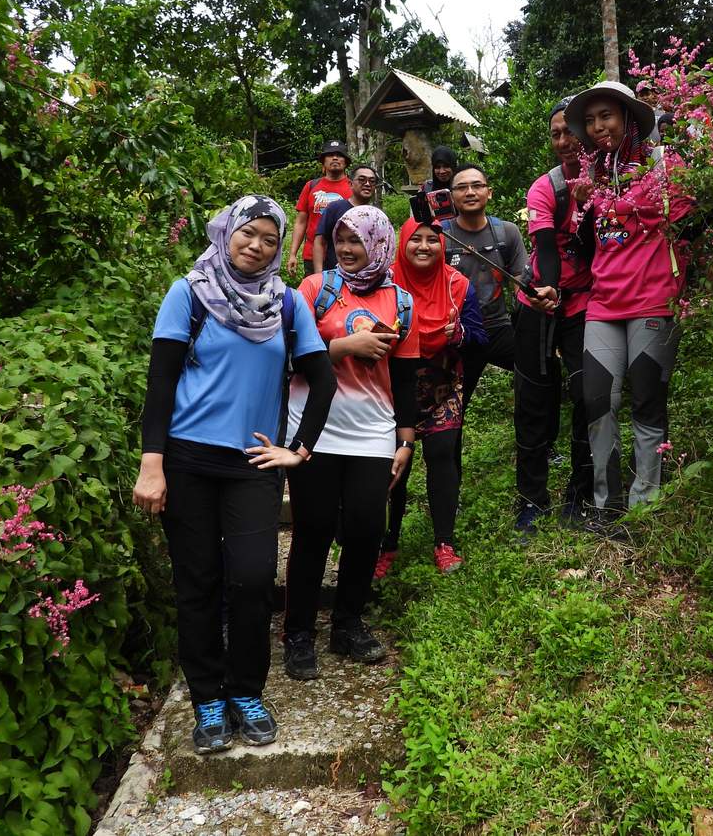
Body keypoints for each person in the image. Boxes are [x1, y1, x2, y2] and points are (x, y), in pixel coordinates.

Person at [133, 195, 337, 755]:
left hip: (253, 464)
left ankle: (246, 691)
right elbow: (161, 383)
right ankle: (206, 699)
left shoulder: (288, 305)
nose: (257, 245)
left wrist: (300, 450)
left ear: (280, 250)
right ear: (226, 234)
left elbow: (322, 379)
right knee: (197, 582)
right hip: (188, 459)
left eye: (271, 239)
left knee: (250, 581)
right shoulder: (189, 292)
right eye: (249, 233)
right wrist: (153, 461)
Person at [257, 206, 419, 682]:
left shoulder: (402, 301)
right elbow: (288, 353)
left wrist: (406, 440)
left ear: (379, 243)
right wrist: (344, 348)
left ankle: (347, 622)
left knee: (368, 529)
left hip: (373, 429)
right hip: (315, 428)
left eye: (357, 241)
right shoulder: (315, 289)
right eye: (340, 239)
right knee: (313, 529)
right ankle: (299, 632)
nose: (348, 249)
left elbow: (407, 378)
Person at [564, 80, 694, 528]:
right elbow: (588, 243)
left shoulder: (663, 164)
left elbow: (689, 218)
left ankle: (645, 507)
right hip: (604, 304)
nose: (599, 127)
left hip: (653, 300)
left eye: (608, 116)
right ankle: (606, 506)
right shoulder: (593, 176)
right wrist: (582, 206)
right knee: (598, 402)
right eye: (592, 120)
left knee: (647, 406)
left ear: (628, 118)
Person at [376, 218, 488, 579]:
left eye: (432, 240)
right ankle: (386, 544)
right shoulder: (384, 283)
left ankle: (444, 542)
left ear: (444, 247)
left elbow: (481, 340)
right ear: (402, 244)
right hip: (393, 388)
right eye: (416, 240)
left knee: (442, 458)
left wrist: (461, 334)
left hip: (442, 387)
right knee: (394, 466)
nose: (424, 247)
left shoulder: (459, 286)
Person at [513, 97, 595, 533]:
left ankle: (579, 495)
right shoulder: (545, 188)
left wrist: (587, 209)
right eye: (556, 133)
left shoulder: (615, 180)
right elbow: (545, 250)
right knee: (532, 401)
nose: (563, 141)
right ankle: (531, 500)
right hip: (539, 302)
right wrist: (547, 289)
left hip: (586, 304)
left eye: (570, 131)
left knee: (586, 396)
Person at [442, 162, 527, 414]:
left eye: (477, 186)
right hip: (458, 333)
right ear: (451, 195)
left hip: (499, 328)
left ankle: (537, 446)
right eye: (462, 187)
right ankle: (447, 453)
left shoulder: (506, 232)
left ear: (488, 192)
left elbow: (520, 279)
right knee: (451, 409)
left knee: (540, 370)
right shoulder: (441, 236)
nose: (470, 192)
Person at [287, 140, 352, 277]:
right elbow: (300, 222)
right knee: (315, 294)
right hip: (312, 254)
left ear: (346, 162)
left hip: (344, 255)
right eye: (330, 155)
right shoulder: (311, 186)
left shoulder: (354, 187)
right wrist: (293, 254)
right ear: (323, 162)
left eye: (339, 155)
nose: (335, 158)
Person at [313, 164, 377, 272]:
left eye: (372, 181)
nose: (367, 184)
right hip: (336, 275)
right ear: (351, 184)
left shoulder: (376, 215)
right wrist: (319, 275)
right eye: (362, 180)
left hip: (366, 277)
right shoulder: (335, 208)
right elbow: (319, 241)